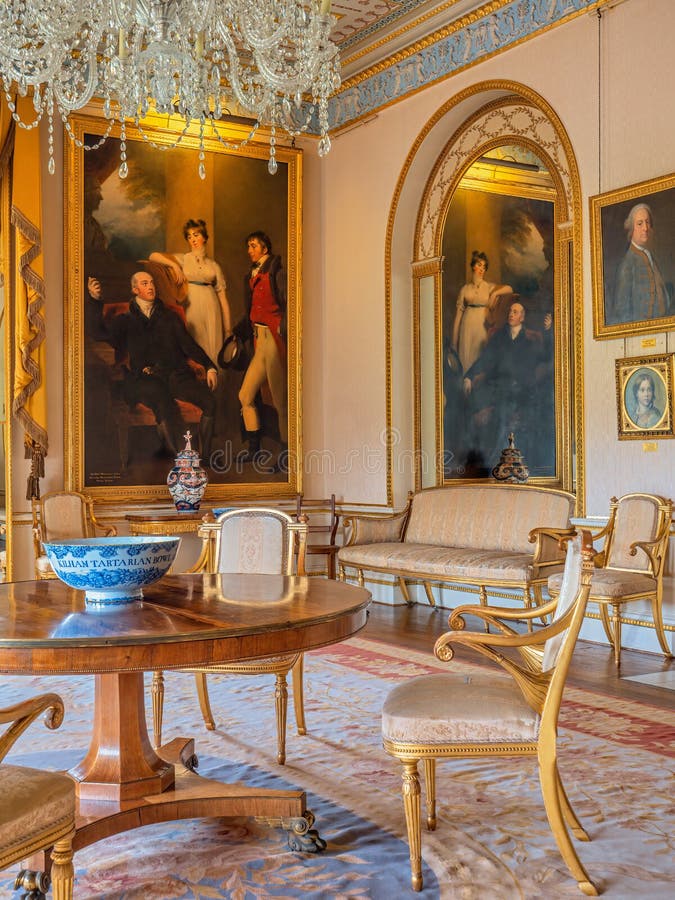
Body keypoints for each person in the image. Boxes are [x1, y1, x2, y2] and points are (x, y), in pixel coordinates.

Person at [86, 271, 218, 460]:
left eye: (152, 283)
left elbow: (189, 345)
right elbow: (98, 333)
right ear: (135, 289)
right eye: (145, 283)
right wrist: (95, 300)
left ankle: (205, 459)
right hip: (145, 379)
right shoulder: (125, 320)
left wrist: (210, 366)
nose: (151, 287)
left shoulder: (170, 317)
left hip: (175, 376)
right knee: (161, 400)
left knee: (210, 402)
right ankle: (178, 459)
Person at [463, 301, 552, 469]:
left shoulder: (531, 338)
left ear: (522, 317)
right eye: (510, 311)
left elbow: (546, 357)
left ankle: (502, 462)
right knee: (484, 406)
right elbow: (485, 360)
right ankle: (490, 461)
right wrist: (469, 376)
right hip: (500, 389)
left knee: (509, 411)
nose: (511, 314)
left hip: (523, 391)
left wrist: (548, 332)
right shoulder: (498, 337)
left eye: (516, 311)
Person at [233, 231, 287, 466]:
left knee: (281, 400)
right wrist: (235, 332)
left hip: (274, 339)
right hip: (259, 340)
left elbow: (287, 305)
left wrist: (284, 328)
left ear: (265, 248)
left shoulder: (277, 271)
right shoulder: (251, 275)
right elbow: (251, 313)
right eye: (248, 246)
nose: (249, 250)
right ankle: (254, 449)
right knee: (245, 395)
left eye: (253, 245)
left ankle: (287, 456)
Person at [150, 218, 232, 365]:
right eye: (189, 236)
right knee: (195, 343)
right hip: (192, 305)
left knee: (214, 346)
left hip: (212, 307)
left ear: (205, 237)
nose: (193, 239)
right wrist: (173, 266)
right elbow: (153, 256)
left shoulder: (214, 266)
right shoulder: (183, 259)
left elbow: (223, 300)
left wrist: (228, 330)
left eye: (196, 235)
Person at [451, 250, 513, 373]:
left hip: (481, 325)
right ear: (473, 266)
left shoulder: (488, 286)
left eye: (484, 267)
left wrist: (495, 293)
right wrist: (453, 344)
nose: (482, 269)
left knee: (479, 358)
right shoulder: (465, 289)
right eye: (479, 265)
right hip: (467, 326)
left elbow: (510, 289)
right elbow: (458, 318)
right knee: (466, 358)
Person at [612, 203, 670, 325]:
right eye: (640, 223)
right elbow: (622, 312)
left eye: (647, 222)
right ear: (631, 229)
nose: (645, 228)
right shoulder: (626, 265)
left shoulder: (649, 256)